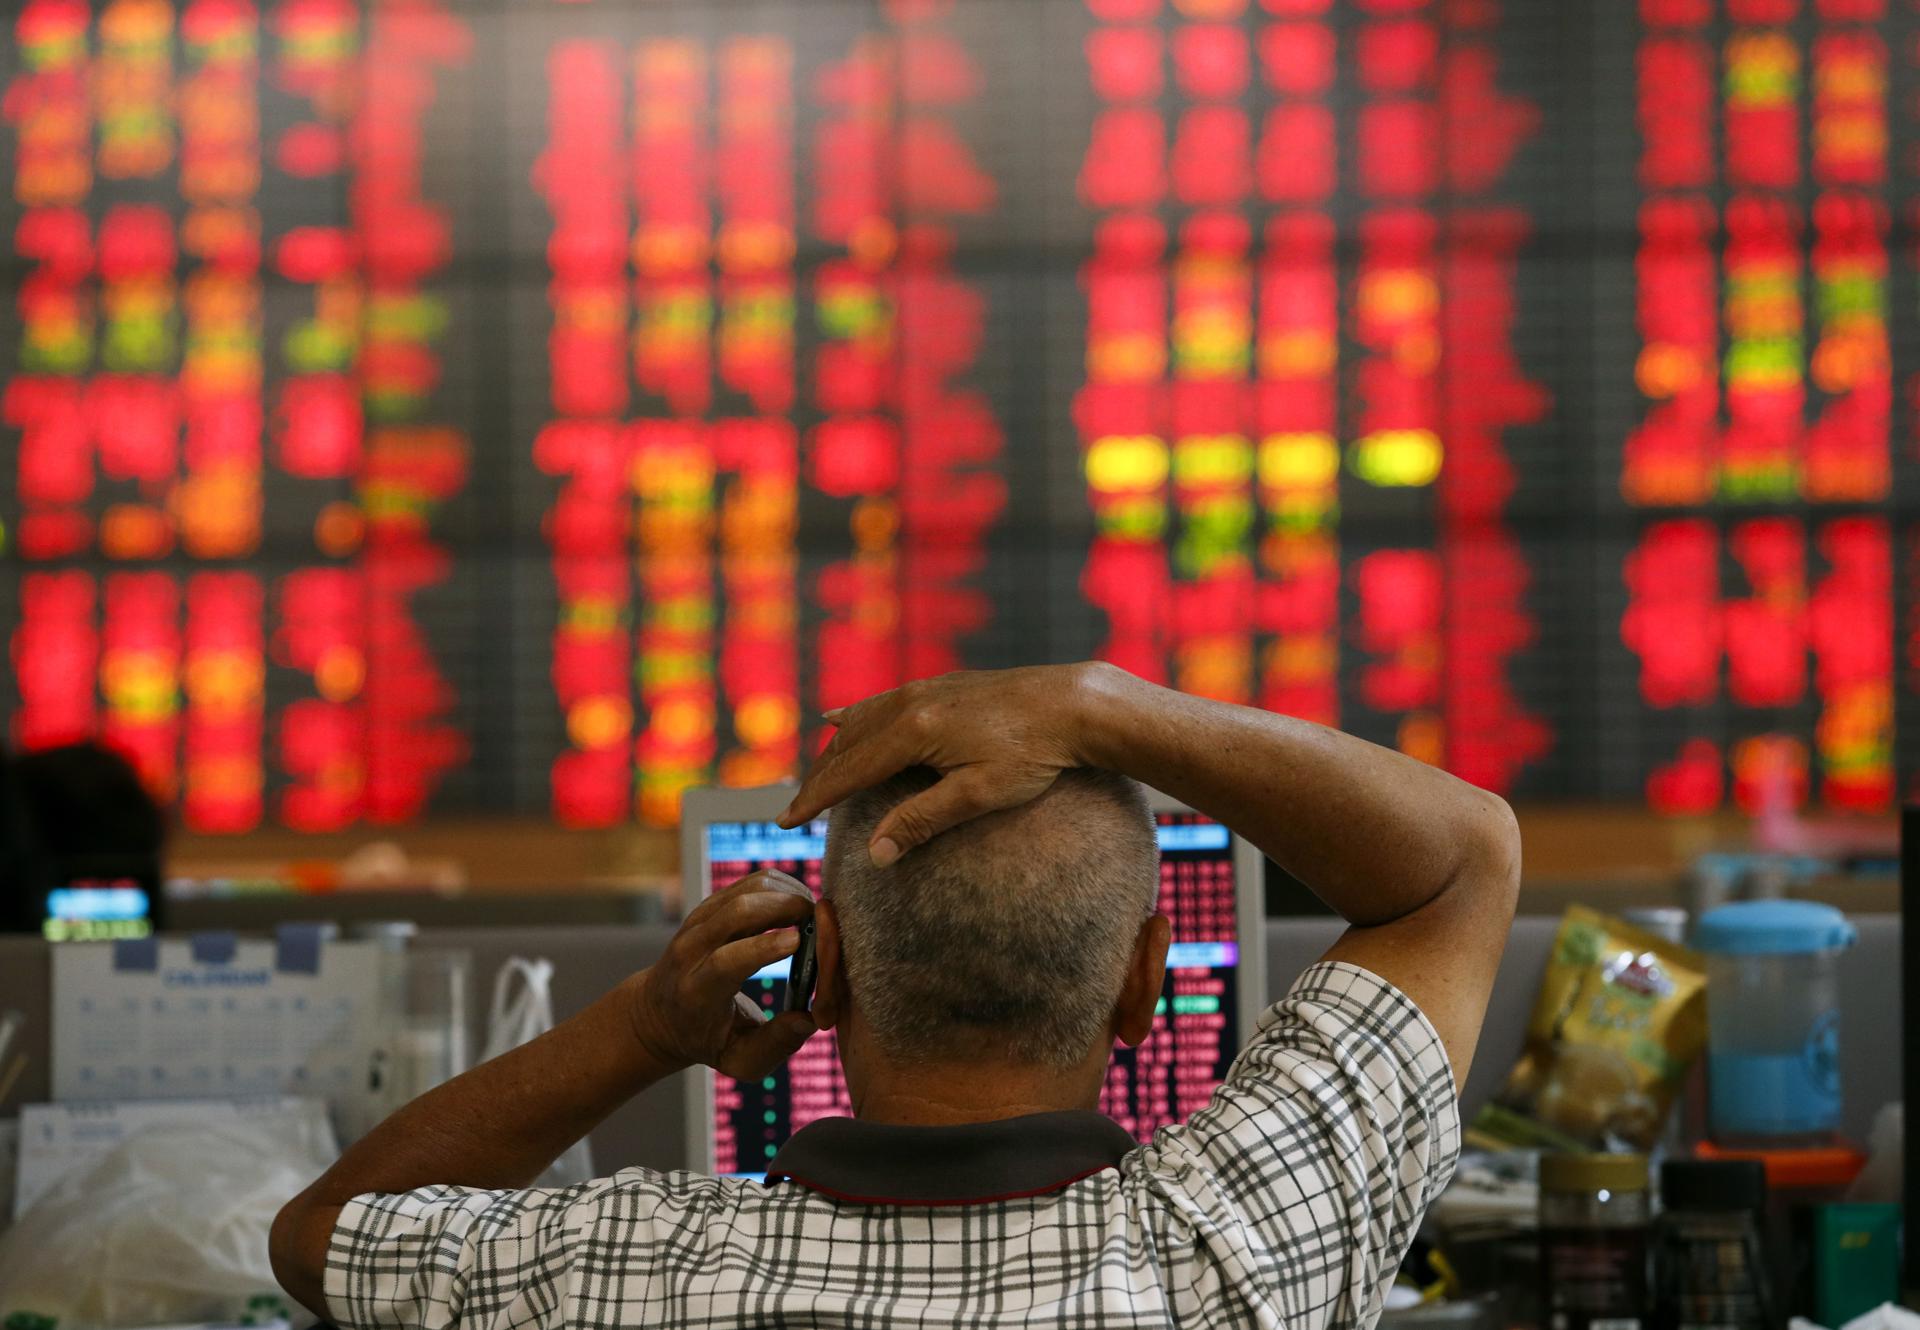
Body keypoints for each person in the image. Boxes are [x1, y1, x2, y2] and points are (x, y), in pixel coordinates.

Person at [272, 662, 1520, 1328]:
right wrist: (1106, 706)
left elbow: (320, 1239)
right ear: (1148, 982)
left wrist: (645, 1024)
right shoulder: (1239, 1248)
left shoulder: (617, 1266)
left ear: (825, 972)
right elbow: (1463, 862)